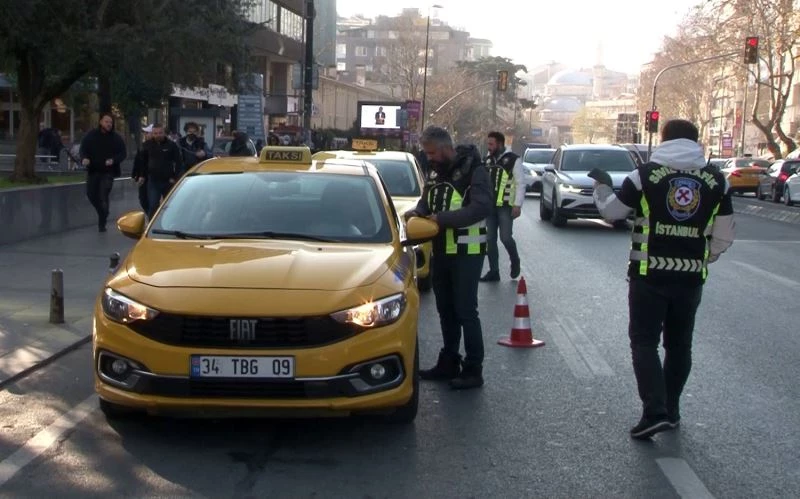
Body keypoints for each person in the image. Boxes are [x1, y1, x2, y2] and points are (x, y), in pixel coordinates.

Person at [592, 119, 735, 439]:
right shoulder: (717, 180)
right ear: (696, 142)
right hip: (690, 280)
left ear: (664, 139)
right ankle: (671, 410)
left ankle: (654, 411)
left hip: (649, 275)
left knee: (644, 342)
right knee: (679, 345)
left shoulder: (643, 175)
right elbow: (725, 234)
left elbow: (612, 213)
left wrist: (602, 187)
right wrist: (704, 257)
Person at [404, 126, 493, 389]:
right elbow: (426, 202)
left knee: (466, 310)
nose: (429, 157)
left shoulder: (474, 170)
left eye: (432, 152)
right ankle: (449, 362)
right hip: (441, 250)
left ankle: (473, 369)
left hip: (467, 252)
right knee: (446, 310)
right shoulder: (435, 172)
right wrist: (416, 213)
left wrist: (441, 219)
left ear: (445, 148)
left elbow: (481, 207)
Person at [480, 131, 524, 282]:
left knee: (505, 238)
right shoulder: (487, 160)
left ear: (499, 144)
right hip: (489, 207)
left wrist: (517, 205)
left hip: (506, 206)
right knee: (490, 239)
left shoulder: (513, 160)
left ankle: (515, 260)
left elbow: (520, 183)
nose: (489, 147)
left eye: (491, 144)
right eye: (488, 144)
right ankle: (494, 271)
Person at [79, 113, 127, 232]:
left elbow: (123, 153)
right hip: (93, 170)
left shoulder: (116, 138)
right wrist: (84, 158)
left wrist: (113, 160)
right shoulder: (91, 135)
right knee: (91, 194)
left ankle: (102, 222)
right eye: (106, 122)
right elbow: (83, 149)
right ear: (100, 122)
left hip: (108, 172)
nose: (109, 124)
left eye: (110, 122)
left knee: (103, 194)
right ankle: (102, 212)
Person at [141, 123, 184, 219]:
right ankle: (151, 224)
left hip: (168, 181)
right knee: (153, 205)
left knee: (169, 206)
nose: (158, 135)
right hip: (153, 181)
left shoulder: (172, 145)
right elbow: (143, 162)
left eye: (160, 133)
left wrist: (175, 177)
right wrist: (142, 175)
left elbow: (179, 163)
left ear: (164, 133)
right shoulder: (147, 145)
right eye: (155, 133)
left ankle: (169, 223)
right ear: (152, 134)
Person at [131, 124, 153, 213]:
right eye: (145, 133)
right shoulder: (142, 146)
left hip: (150, 177)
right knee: (142, 199)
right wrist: (134, 175)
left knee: (151, 199)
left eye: (147, 133)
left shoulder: (154, 147)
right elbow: (137, 161)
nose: (145, 134)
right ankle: (150, 215)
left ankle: (152, 216)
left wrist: (142, 175)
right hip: (142, 177)